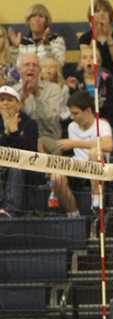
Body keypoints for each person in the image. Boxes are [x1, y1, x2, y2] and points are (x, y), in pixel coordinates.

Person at [50, 91, 113, 217]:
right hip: (78, 167)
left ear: (88, 110)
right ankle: (73, 214)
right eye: (71, 113)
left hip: (99, 169)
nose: (72, 117)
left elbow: (109, 145)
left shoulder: (102, 125)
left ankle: (96, 200)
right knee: (56, 175)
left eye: (75, 113)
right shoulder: (72, 127)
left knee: (94, 153)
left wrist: (75, 143)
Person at [78, 0, 113, 106]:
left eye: (105, 11)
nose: (102, 14)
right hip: (93, 77)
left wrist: (108, 37)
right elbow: (87, 61)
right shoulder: (85, 38)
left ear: (110, 15)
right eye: (97, 11)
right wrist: (94, 35)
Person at [13, 51, 63, 153]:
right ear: (19, 70)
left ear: (39, 70)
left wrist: (37, 94)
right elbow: (9, 119)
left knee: (39, 142)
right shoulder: (13, 92)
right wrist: (22, 99)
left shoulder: (53, 89)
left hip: (48, 138)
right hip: (22, 138)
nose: (31, 68)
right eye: (27, 65)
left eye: (35, 65)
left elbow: (52, 120)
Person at [0, 85, 39, 214]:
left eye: (9, 100)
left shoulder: (30, 123)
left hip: (24, 168)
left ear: (18, 104)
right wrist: (6, 133)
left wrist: (14, 132)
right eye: (1, 100)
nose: (5, 103)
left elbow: (29, 152)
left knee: (15, 168)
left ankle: (9, 210)